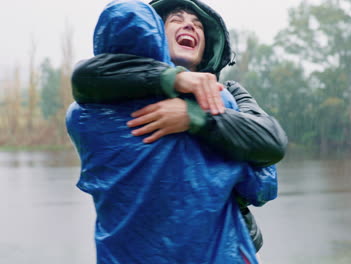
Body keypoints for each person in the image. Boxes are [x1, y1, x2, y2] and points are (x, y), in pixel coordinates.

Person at [67, 0, 287, 263]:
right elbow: (262, 182)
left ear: (206, 48)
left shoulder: (229, 94)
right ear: (157, 36)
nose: (189, 26)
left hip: (232, 242)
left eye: (198, 25)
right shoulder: (99, 96)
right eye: (176, 20)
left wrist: (193, 116)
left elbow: (271, 141)